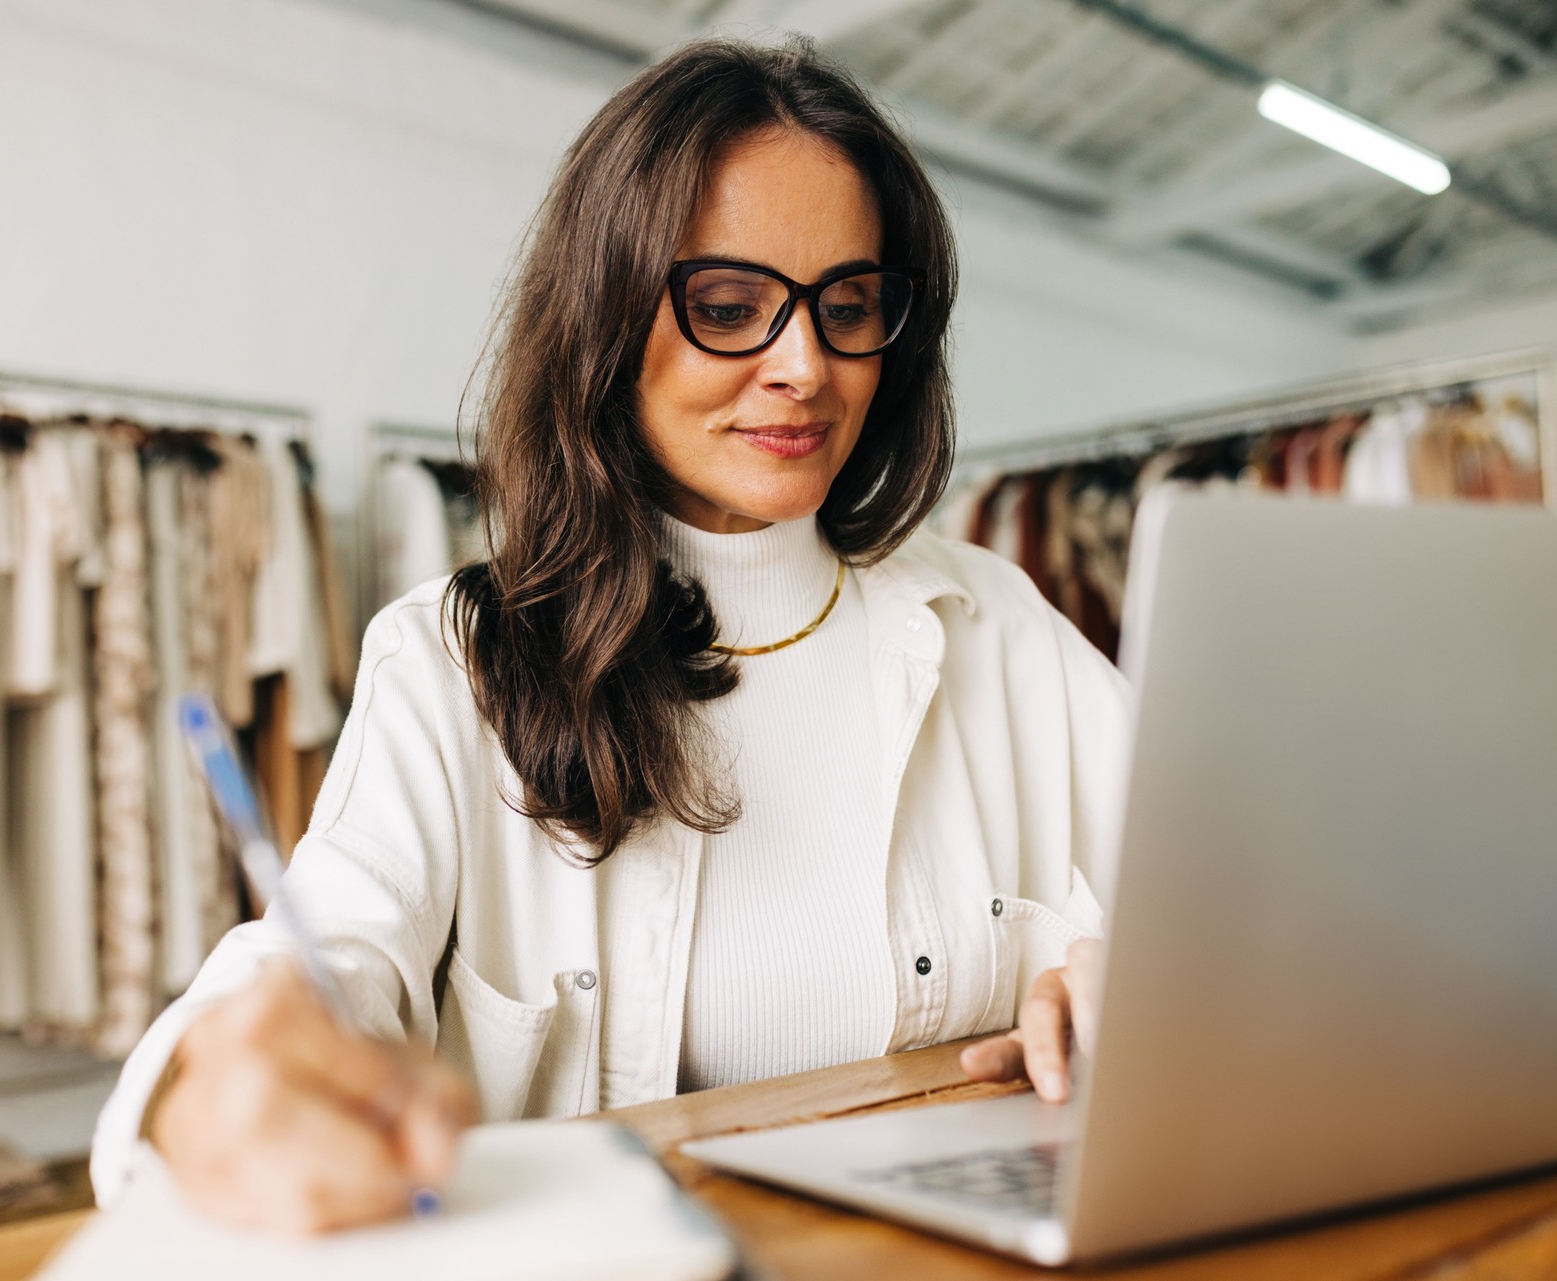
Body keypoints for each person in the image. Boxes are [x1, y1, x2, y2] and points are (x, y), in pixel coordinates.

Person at [91, 35, 1130, 1235]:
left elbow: (1231, 899)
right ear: (603, 318)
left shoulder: (998, 622)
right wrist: (221, 1083)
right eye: (731, 307)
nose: (806, 367)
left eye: (848, 308)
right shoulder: (450, 660)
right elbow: (328, 959)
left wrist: (1148, 982)